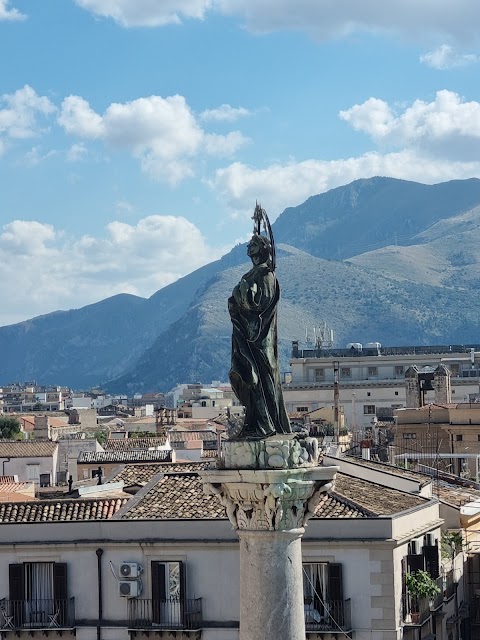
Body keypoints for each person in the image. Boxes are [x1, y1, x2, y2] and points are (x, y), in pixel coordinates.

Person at [228, 228, 291, 439]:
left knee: (261, 379)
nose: (247, 247)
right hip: (250, 334)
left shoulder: (265, 275)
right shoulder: (256, 274)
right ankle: (258, 422)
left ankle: (266, 424)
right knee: (253, 378)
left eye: (251, 244)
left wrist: (243, 292)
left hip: (259, 336)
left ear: (261, 249)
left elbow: (259, 305)